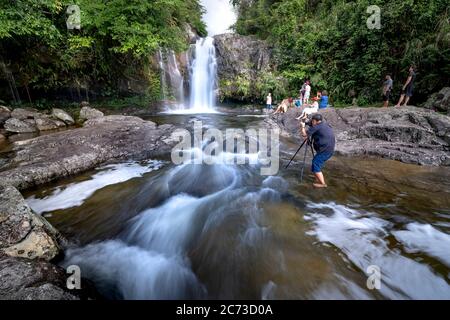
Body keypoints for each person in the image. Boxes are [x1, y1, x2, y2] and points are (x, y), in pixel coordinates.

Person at [300, 113, 335, 188]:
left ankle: (322, 184)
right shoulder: (324, 124)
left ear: (315, 121)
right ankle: (317, 176)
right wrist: (305, 122)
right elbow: (311, 124)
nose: (311, 122)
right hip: (329, 148)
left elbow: (304, 135)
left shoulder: (316, 127)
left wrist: (302, 127)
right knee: (317, 162)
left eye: (312, 121)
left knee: (315, 163)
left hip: (325, 150)